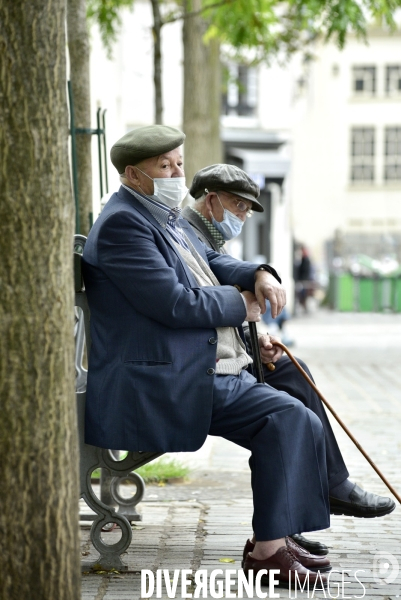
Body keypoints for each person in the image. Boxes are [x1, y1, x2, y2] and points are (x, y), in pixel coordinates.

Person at [80, 126, 387, 587]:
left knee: (291, 378)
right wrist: (241, 306)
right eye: (165, 166)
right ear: (133, 174)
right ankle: (268, 552)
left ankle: (299, 516)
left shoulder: (156, 215)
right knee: (289, 418)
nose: (177, 172)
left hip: (184, 363)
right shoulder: (125, 224)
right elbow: (174, 303)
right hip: (163, 380)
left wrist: (259, 274)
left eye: (179, 162)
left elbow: (210, 262)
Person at [184, 163, 395, 546]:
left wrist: (257, 326)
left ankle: (327, 487)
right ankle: (292, 522)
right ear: (211, 200)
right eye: (238, 206)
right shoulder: (184, 233)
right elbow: (195, 304)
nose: (243, 216)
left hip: (225, 356)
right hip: (203, 368)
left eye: (248, 210)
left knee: (295, 372)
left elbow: (224, 273)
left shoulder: (206, 237)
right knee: (287, 415)